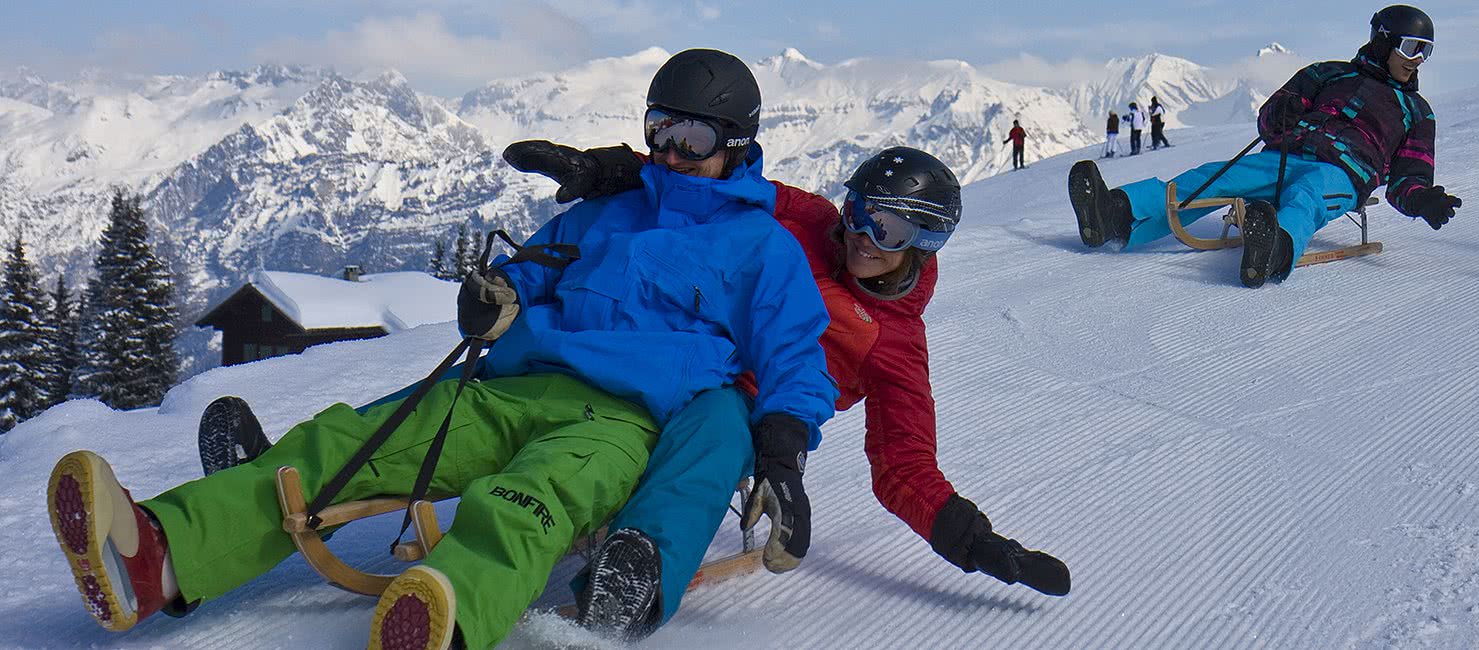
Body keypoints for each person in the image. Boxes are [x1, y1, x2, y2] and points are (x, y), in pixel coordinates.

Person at [45, 48, 837, 650]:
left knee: (533, 500)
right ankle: (157, 553)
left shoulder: (761, 249)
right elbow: (534, 269)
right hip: (513, 384)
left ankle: (449, 612)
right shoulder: (607, 214)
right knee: (350, 441)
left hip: (623, 421)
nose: (670, 154)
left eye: (691, 137)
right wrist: (499, 293)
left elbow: (798, 357)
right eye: (658, 131)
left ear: (735, 143)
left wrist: (782, 445)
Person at [485, 144, 1074, 639]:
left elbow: (904, 466)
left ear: (924, 243)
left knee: (713, 437)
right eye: (859, 211)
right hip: (669, 345)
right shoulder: (816, 223)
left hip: (743, 405)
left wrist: (975, 542)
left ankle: (634, 580)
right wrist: (610, 169)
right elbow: (715, 186)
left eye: (887, 228)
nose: (862, 236)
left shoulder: (896, 347)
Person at [1068, 5, 1460, 288]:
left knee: (1307, 197)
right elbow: (1270, 119)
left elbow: (1410, 174)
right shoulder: (1328, 73)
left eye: (1427, 50)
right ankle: (1116, 214)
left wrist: (1421, 199)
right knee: (1213, 177)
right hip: (1283, 155)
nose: (1419, 60)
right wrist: (1282, 111)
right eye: (1412, 48)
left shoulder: (1416, 112)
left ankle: (1275, 249)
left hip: (1342, 173)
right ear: (1382, 42)